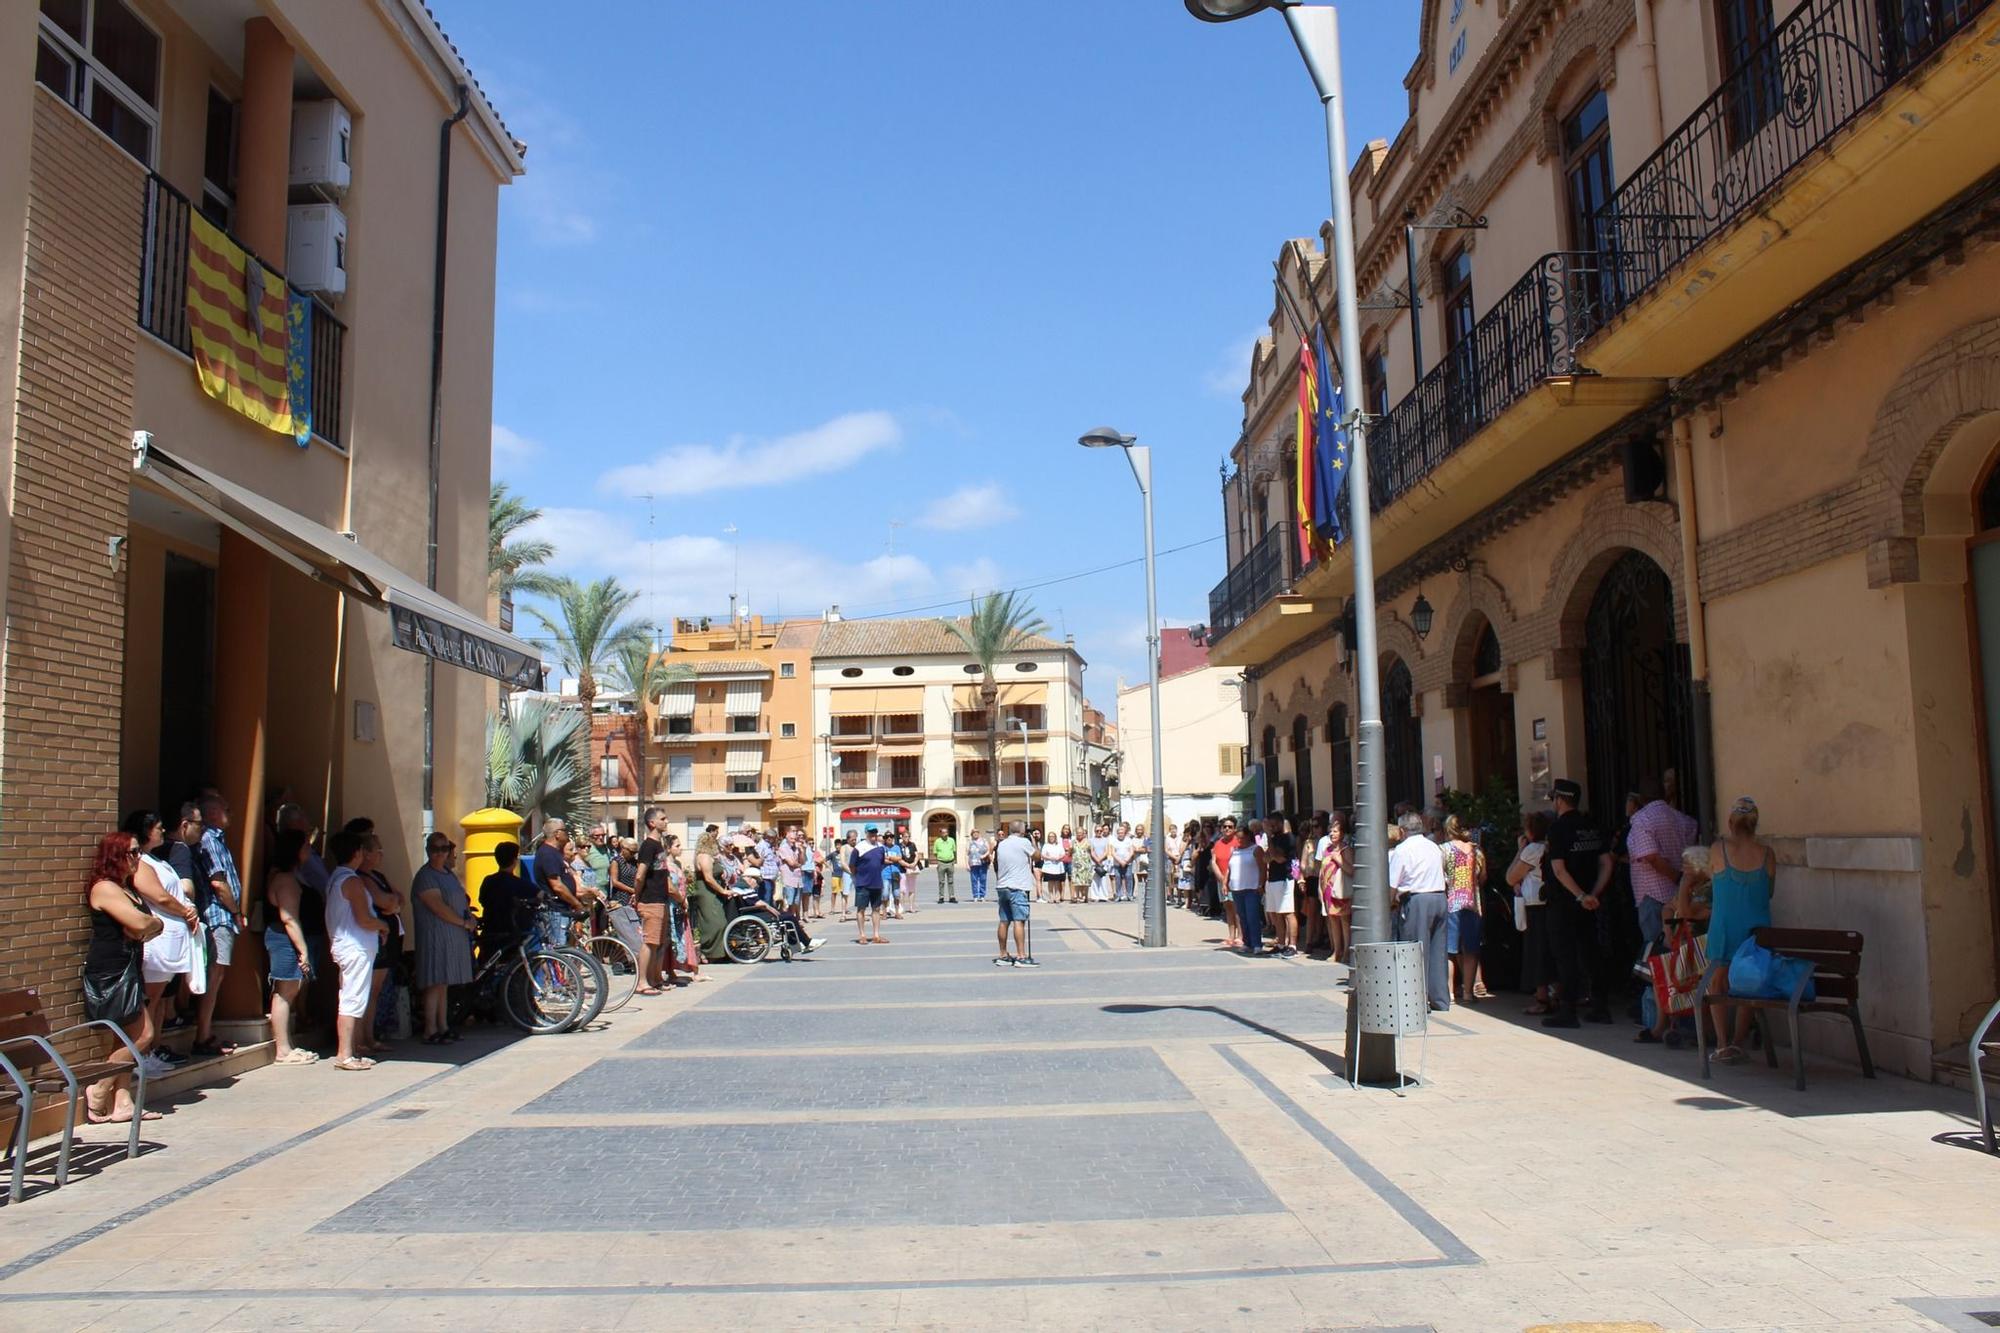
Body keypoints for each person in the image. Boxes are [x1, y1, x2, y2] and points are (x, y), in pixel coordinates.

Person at [82, 832, 163, 1124]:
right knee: (144, 1035)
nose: (137, 858)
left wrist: (148, 924)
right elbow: (141, 923)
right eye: (131, 852)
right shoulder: (104, 888)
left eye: (138, 851)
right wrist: (146, 924)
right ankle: (99, 1090)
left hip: (129, 967)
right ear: (114, 856)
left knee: (125, 1037)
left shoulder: (125, 888)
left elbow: (153, 924)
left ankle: (122, 1101)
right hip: (110, 972)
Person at [1702, 796, 1776, 1064]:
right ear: (1755, 824)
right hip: (1756, 934)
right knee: (1748, 985)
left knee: (1717, 981)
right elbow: (1768, 892)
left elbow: (1711, 881)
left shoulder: (1717, 850)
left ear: (1730, 822)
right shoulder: (1768, 854)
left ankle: (1722, 1044)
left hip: (1724, 929)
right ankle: (1737, 1042)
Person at [123, 811, 197, 1078]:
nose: (163, 831)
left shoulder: (156, 860)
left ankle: (150, 1050)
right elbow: (158, 896)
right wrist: (185, 911)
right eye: (158, 827)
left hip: (171, 941)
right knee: (151, 999)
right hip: (157, 941)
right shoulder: (141, 862)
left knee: (160, 998)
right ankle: (142, 1053)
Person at [1540, 778, 1613, 1029]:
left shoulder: (1558, 829)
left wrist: (1580, 895)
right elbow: (1607, 863)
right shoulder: (1592, 825)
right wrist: (1593, 894)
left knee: (1566, 957)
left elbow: (1559, 870)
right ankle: (1600, 1007)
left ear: (1559, 799)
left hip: (1564, 903)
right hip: (1590, 903)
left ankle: (1568, 1011)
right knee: (1592, 953)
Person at [324, 829, 386, 1070]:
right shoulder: (351, 881)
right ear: (357, 853)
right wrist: (381, 925)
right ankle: (345, 1054)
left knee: (350, 996)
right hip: (355, 946)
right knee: (352, 998)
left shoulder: (337, 877)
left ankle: (352, 1049)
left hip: (347, 945)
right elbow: (364, 918)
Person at [192, 792, 246, 1058]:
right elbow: (218, 882)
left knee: (217, 975)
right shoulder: (209, 841)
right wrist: (236, 911)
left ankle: (205, 1032)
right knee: (214, 976)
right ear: (213, 813)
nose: (231, 813)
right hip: (218, 916)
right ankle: (203, 1035)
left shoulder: (218, 841)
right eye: (226, 808)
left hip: (221, 915)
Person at [411, 831, 476, 1044]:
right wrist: (462, 922)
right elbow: (437, 906)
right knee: (435, 981)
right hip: (435, 935)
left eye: (444, 848)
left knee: (444, 983)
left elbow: (460, 899)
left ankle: (443, 1025)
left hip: (453, 934)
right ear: (428, 850)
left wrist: (470, 917)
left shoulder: (448, 874)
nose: (440, 853)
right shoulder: (425, 876)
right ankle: (431, 1029)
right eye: (435, 849)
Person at [264, 826, 319, 1063]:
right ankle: (283, 1049)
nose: (309, 850)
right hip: (284, 939)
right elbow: (289, 917)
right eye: (305, 846)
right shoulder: (285, 879)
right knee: (285, 991)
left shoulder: (291, 875)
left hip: (287, 938)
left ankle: (288, 1044)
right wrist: (303, 950)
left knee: (291, 990)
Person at [1626, 773, 1699, 951]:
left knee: (1656, 950)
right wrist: (1681, 880)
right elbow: (1692, 850)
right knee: (1678, 947)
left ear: (1641, 798)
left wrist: (1675, 876)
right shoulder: (1682, 819)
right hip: (1678, 895)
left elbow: (1650, 856)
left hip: (1652, 894)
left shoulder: (1642, 819)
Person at [1389, 809, 1451, 1011]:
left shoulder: (1402, 850)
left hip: (1417, 899)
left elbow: (1392, 884)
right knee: (1438, 950)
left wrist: (1390, 903)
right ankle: (1440, 999)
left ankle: (1417, 999)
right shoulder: (1433, 847)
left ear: (1402, 830)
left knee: (1415, 950)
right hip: (1439, 897)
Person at [1508, 810, 1553, 1014]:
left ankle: (1542, 997)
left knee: (1537, 951)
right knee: (1551, 949)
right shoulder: (1550, 846)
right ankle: (1556, 994)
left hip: (1535, 904)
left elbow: (1511, 876)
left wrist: (1519, 850)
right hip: (1550, 902)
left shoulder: (1533, 849)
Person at [1441, 814, 1489, 1003]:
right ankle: (1468, 992)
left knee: (1449, 951)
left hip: (1451, 903)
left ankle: (1450, 993)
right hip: (1472, 904)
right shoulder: (1476, 852)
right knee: (1471, 950)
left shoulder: (1444, 850)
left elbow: (1439, 875)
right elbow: (1483, 877)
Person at [632, 809, 678, 994]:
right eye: (662, 819)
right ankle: (642, 982)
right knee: (650, 942)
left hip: (661, 899)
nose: (666, 821)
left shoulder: (659, 845)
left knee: (659, 942)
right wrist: (637, 895)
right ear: (652, 823)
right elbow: (640, 875)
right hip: (650, 899)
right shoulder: (648, 846)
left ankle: (654, 977)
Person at [992, 820, 1039, 966]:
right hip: (1017, 886)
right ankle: (1021, 956)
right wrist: (1033, 842)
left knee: (1004, 920)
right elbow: (1037, 856)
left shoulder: (1002, 843)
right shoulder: (1023, 842)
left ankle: (1003, 954)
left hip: (1003, 886)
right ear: (1021, 830)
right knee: (1019, 921)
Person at [849, 826, 899, 945]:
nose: (873, 834)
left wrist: (895, 860)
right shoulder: (859, 848)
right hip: (863, 883)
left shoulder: (881, 847)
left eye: (875, 832)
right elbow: (852, 865)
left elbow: (882, 861)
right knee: (861, 909)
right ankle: (862, 935)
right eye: (871, 832)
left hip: (877, 883)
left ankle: (876, 935)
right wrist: (857, 876)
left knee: (876, 909)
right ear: (866, 833)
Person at [690, 828, 734, 963]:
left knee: (719, 921)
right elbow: (708, 878)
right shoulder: (704, 856)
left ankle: (719, 952)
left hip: (712, 891)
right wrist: (723, 890)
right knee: (715, 923)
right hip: (706, 892)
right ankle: (707, 951)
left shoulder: (711, 857)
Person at [1261, 816, 1298, 956]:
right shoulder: (1274, 839)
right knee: (1276, 914)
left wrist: (1269, 840)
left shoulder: (1287, 838)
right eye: (1270, 825)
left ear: (1281, 823)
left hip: (1285, 879)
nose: (1271, 827)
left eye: (1274, 824)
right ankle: (1281, 944)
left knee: (1288, 912)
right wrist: (1270, 851)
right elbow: (1266, 858)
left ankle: (1293, 946)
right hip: (1272, 879)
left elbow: (1279, 857)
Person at [1229, 822, 1267, 956]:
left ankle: (1257, 944)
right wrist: (1225, 882)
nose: (1239, 840)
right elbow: (1229, 868)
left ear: (1248, 837)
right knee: (1242, 917)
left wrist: (1261, 885)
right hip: (1236, 888)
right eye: (1237, 838)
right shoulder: (1234, 850)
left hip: (1252, 888)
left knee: (1252, 916)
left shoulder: (1256, 849)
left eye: (1242, 837)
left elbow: (1263, 869)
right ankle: (1247, 942)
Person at [1320, 813, 1352, 964]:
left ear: (1342, 833)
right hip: (1327, 889)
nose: (1332, 834)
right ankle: (1336, 950)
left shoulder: (1346, 850)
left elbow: (1351, 870)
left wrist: (1338, 860)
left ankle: (1346, 950)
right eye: (1331, 831)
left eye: (1335, 831)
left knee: (1344, 921)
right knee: (1332, 920)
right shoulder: (1326, 849)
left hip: (1340, 890)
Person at [1037, 827, 1068, 906]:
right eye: (1050, 837)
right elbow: (1043, 854)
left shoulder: (1059, 845)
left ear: (1055, 837)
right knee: (1051, 882)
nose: (1051, 838)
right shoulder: (1046, 845)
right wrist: (1050, 858)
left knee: (1057, 882)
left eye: (1053, 836)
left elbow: (1063, 853)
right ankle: (1051, 897)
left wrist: (1059, 858)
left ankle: (1057, 897)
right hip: (1049, 866)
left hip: (1058, 865)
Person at [1109, 822, 1138, 904]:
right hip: (1117, 863)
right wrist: (1120, 861)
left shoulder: (1128, 840)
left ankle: (1129, 895)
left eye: (1122, 833)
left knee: (1128, 877)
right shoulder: (1114, 841)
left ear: (1125, 833)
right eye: (1119, 833)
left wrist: (1126, 860)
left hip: (1127, 862)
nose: (1120, 834)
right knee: (1118, 878)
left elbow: (1131, 851)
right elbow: (1113, 852)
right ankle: (1118, 895)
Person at [932, 826, 958, 904]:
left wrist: (953, 860)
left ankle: (952, 896)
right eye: (943, 833)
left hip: (950, 862)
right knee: (941, 881)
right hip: (941, 862)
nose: (945, 834)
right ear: (940, 834)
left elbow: (954, 851)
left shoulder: (951, 840)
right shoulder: (937, 841)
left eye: (946, 832)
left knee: (951, 881)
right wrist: (940, 859)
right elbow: (935, 853)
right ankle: (941, 897)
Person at [966, 826, 992, 902]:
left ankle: (982, 895)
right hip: (973, 863)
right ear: (972, 834)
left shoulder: (984, 841)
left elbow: (989, 850)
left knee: (983, 879)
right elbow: (967, 854)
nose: (975, 834)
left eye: (977, 833)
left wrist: (984, 855)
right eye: (974, 833)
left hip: (983, 863)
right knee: (974, 880)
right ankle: (975, 895)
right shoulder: (969, 842)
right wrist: (967, 864)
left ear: (979, 833)